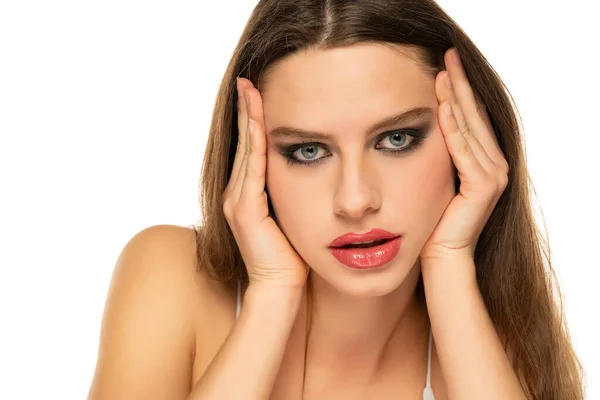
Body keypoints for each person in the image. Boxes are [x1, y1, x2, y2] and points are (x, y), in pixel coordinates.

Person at [88, 0, 586, 399]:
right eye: (308, 150)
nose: (354, 200)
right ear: (252, 158)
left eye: (396, 140)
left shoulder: (490, 343)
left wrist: (451, 265)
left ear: (470, 139)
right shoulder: (172, 276)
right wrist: (271, 291)